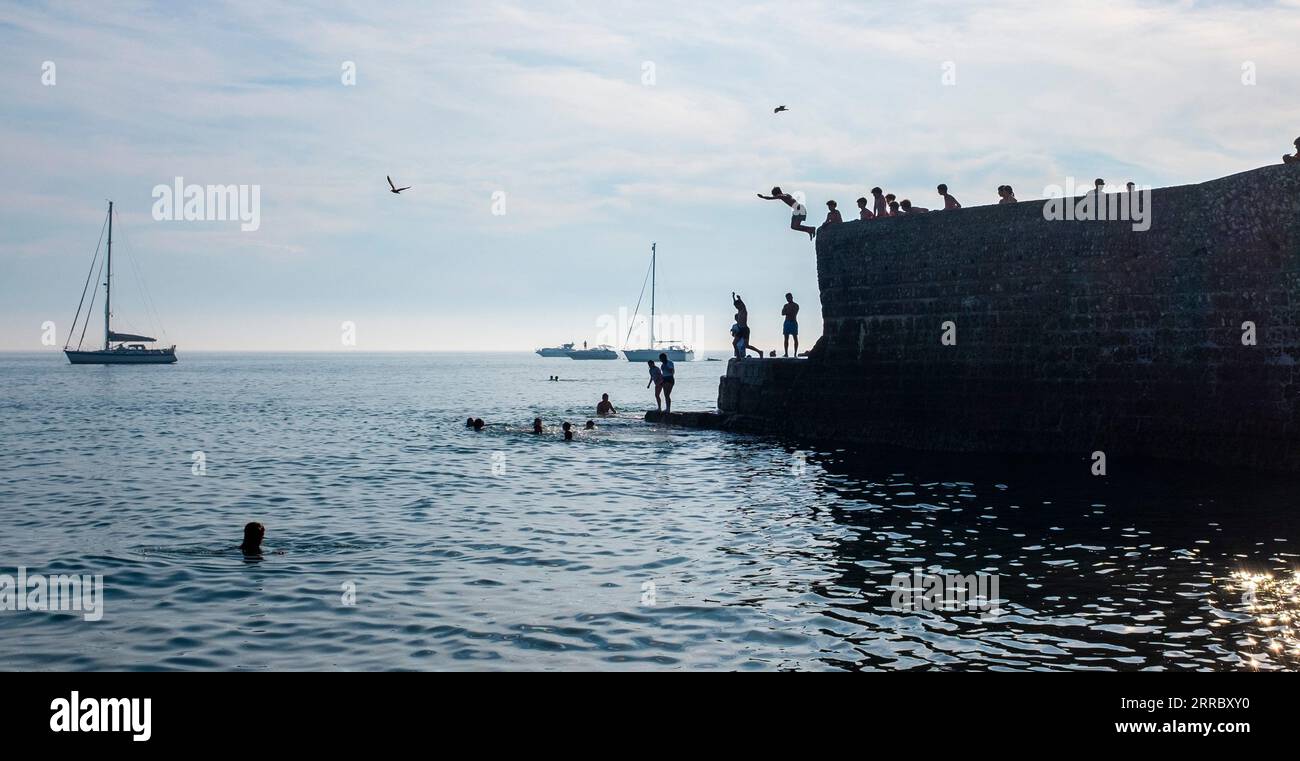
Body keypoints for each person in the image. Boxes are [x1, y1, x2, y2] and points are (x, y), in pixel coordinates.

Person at [732, 293, 763, 358]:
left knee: (746, 345)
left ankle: (760, 352)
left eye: (737, 306)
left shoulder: (743, 310)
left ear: (740, 305)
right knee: (734, 343)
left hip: (745, 329)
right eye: (736, 307)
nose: (736, 307)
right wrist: (733, 297)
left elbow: (742, 305)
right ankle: (738, 357)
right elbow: (735, 304)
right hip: (740, 330)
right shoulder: (739, 311)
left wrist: (739, 299)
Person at [781, 292, 800, 357]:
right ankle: (786, 353)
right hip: (787, 322)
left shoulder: (796, 305)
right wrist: (788, 311)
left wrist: (787, 311)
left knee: (795, 338)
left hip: (793, 322)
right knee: (786, 338)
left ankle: (795, 353)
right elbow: (782, 313)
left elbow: (794, 312)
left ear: (791, 297)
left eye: (789, 297)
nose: (788, 299)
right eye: (787, 298)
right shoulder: (785, 305)